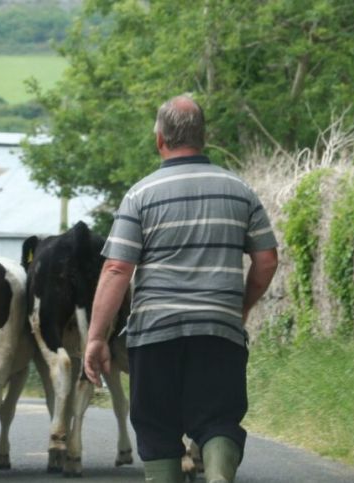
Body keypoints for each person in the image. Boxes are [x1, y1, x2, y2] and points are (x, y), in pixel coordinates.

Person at [83, 95, 279, 483]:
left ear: (160, 140)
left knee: (157, 428)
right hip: (218, 332)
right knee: (218, 418)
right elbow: (267, 260)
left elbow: (117, 267)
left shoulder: (140, 195)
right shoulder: (239, 190)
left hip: (155, 335)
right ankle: (220, 475)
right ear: (203, 137)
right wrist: (240, 307)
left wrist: (96, 338)